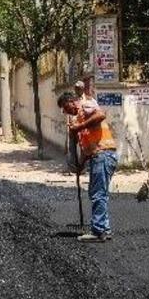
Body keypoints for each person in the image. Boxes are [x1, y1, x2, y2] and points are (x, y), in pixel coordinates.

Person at [58, 91, 118, 243]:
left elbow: (101, 115)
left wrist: (80, 126)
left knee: (98, 194)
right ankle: (105, 229)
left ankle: (98, 231)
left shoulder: (85, 105)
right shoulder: (77, 120)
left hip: (103, 154)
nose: (66, 112)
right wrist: (80, 165)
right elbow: (85, 147)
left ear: (72, 102)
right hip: (96, 156)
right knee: (97, 193)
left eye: (66, 108)